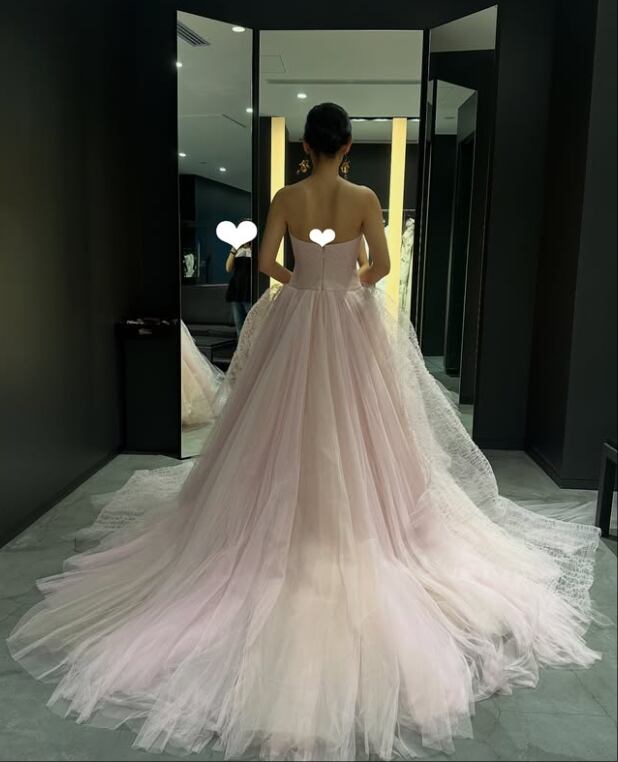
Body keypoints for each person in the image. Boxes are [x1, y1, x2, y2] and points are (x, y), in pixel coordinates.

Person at [8, 103, 604, 762]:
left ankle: (275, 522)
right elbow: (382, 266)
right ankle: (358, 525)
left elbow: (266, 261)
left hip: (298, 320)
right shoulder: (364, 197)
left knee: (275, 425)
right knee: (362, 426)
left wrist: (305, 282)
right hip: (348, 320)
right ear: (345, 146)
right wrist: (346, 282)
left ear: (307, 145)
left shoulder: (288, 198)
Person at [225, 224, 253, 336]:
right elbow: (228, 268)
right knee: (239, 325)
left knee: (252, 324)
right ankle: (240, 347)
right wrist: (234, 248)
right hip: (236, 289)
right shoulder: (237, 249)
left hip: (250, 289)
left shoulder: (255, 248)